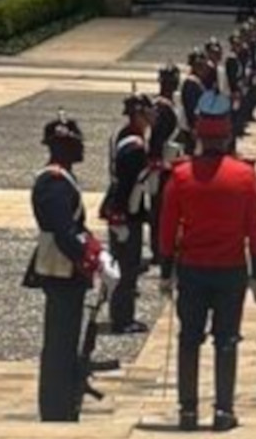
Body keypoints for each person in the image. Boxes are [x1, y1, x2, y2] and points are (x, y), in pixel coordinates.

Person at [159, 92, 256, 432]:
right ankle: (223, 410)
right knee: (227, 340)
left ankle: (187, 410)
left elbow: (167, 227)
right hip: (231, 269)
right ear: (227, 134)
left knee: (189, 339)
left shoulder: (181, 176)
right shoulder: (244, 176)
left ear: (199, 135)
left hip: (192, 268)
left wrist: (165, 270)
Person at [23, 111, 120, 422]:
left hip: (67, 270)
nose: (82, 149)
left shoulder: (61, 178)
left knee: (66, 339)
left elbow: (76, 227)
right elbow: (65, 233)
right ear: (63, 147)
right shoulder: (53, 182)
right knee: (59, 344)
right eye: (76, 144)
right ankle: (56, 406)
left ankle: (63, 400)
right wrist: (91, 259)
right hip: (60, 270)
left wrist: (98, 252)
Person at [100, 92, 155, 334]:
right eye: (148, 112)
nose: (153, 116)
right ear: (139, 115)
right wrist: (121, 216)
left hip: (124, 209)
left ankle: (122, 314)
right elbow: (126, 186)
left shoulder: (126, 137)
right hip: (125, 212)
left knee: (125, 264)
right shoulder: (134, 147)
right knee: (126, 266)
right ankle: (122, 319)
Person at [147, 64, 183, 265]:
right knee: (160, 208)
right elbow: (156, 139)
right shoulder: (162, 107)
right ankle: (159, 249)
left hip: (167, 161)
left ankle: (162, 247)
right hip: (162, 164)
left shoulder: (163, 104)